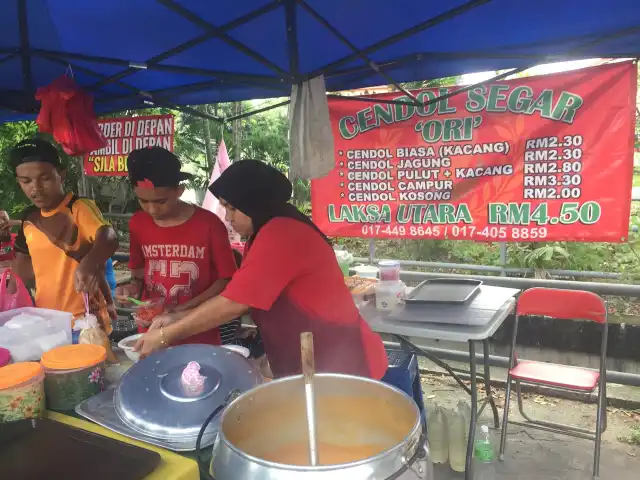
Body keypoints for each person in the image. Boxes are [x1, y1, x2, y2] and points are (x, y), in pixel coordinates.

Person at [135, 160, 388, 380]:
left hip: (345, 364)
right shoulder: (264, 231)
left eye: (232, 208)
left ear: (254, 203)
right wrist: (176, 317)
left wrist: (166, 336)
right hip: (313, 361)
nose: (228, 217)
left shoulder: (282, 234)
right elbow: (241, 293)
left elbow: (234, 303)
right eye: (224, 207)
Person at [115, 147, 237, 346]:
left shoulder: (209, 224)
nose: (152, 209)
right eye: (143, 201)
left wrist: (183, 310)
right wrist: (131, 290)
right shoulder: (138, 223)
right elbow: (138, 274)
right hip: (151, 330)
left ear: (179, 190)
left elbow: (227, 280)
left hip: (197, 330)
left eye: (161, 201)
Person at [8, 139, 119, 338]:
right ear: (18, 181)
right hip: (48, 323)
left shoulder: (78, 208)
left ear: (61, 174)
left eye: (45, 178)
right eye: (26, 181)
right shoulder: (29, 219)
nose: (36, 188)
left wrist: (90, 263)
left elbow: (108, 237)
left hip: (86, 323)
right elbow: (21, 275)